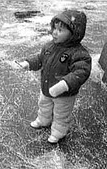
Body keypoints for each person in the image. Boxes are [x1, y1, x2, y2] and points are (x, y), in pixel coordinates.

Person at [18, 9, 92, 143]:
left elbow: (81, 72)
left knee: (61, 114)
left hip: (64, 94)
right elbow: (40, 59)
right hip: (47, 87)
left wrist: (65, 84)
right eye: (54, 28)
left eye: (60, 30)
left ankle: (59, 132)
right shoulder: (49, 46)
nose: (55, 32)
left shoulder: (79, 54)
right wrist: (28, 63)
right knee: (44, 105)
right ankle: (43, 120)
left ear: (74, 34)